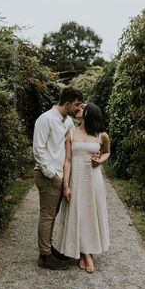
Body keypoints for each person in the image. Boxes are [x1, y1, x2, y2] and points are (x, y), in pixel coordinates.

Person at [33, 86, 83, 270]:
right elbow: (38, 149)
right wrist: (52, 175)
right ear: (67, 102)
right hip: (47, 175)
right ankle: (45, 257)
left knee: (52, 214)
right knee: (47, 216)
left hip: (59, 176)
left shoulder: (68, 121)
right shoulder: (45, 119)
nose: (78, 108)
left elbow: (75, 140)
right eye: (76, 105)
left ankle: (47, 248)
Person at [58, 103, 110, 273]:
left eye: (84, 108)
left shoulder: (101, 135)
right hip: (76, 179)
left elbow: (107, 152)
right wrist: (65, 185)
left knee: (90, 214)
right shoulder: (71, 133)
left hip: (93, 179)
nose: (79, 108)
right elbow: (68, 160)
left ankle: (86, 252)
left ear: (91, 114)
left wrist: (100, 160)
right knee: (78, 214)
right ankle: (86, 253)